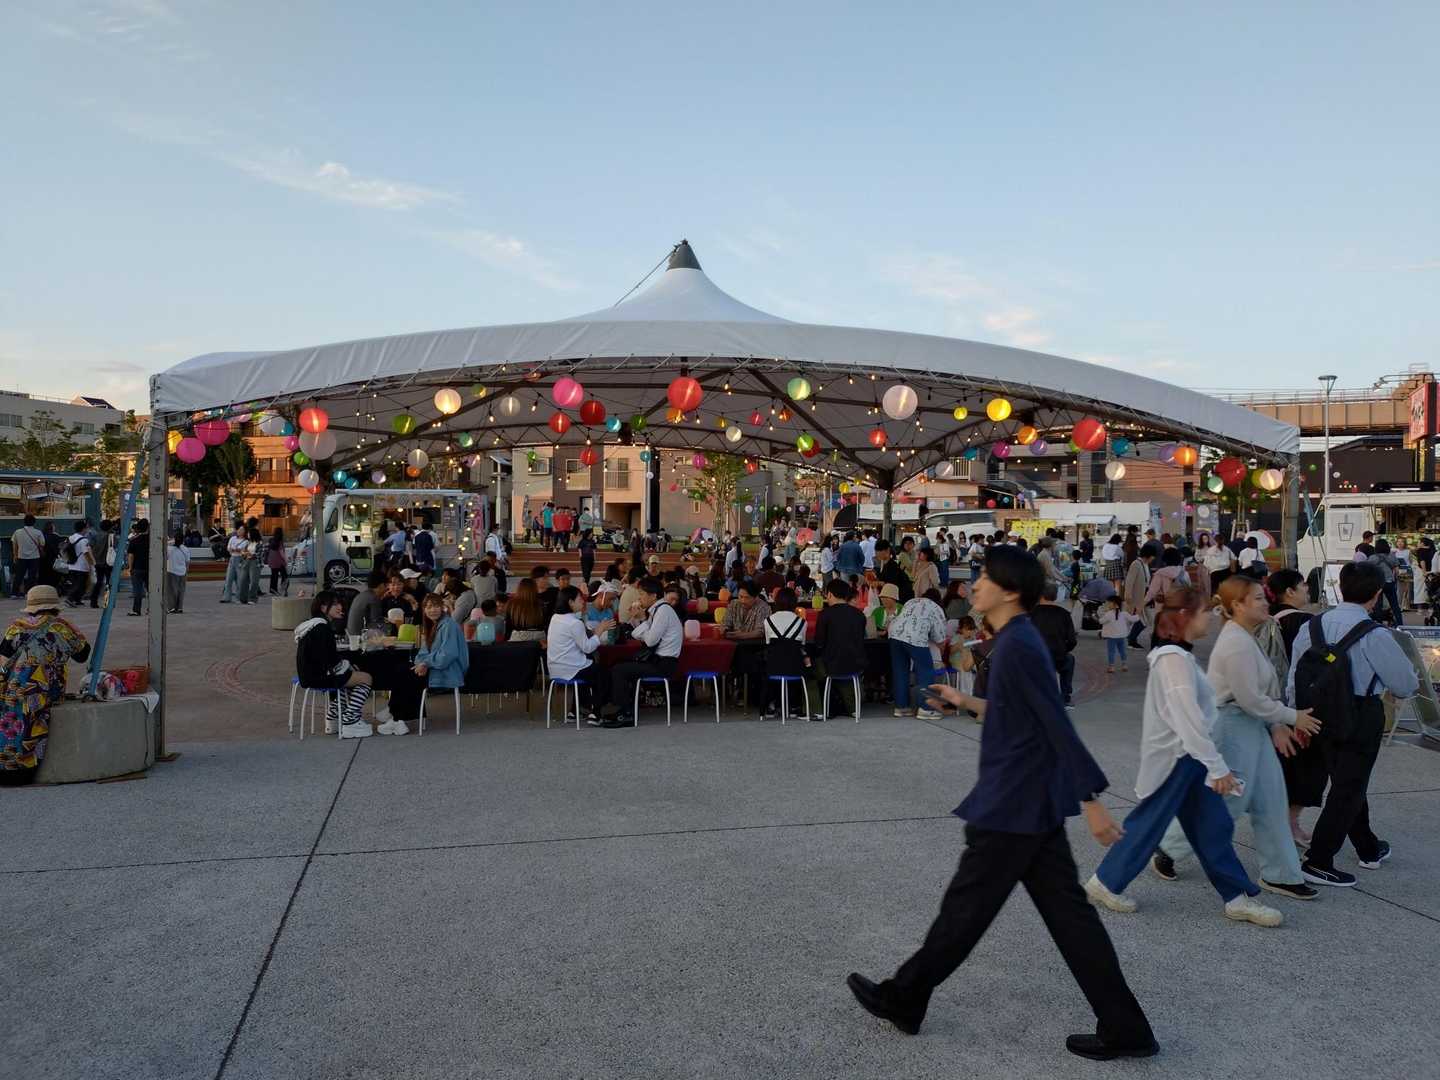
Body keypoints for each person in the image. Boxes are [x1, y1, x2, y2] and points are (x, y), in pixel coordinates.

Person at [846, 545, 1156, 1060]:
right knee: (1068, 919)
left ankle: (905, 995)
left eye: (985, 578)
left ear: (1010, 592)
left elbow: (1054, 722)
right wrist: (964, 700)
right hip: (1029, 805)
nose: (975, 585)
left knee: (966, 911)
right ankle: (1127, 1028)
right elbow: (1017, 710)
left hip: (1013, 804)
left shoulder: (1019, 646)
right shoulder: (1015, 641)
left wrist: (1092, 799)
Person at [1084, 587, 1284, 929]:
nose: (1210, 618)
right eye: (1206, 612)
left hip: (1188, 759)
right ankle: (1105, 882)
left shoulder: (1178, 657)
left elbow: (1191, 719)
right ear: (1185, 617)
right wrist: (1216, 766)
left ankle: (1236, 897)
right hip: (1179, 759)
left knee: (1212, 827)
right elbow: (1187, 718)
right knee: (1151, 825)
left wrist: (1211, 763)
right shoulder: (1173, 660)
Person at [1151, 577, 1321, 900]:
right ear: (1237, 606)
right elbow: (1250, 699)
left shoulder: (1246, 636)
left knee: (1271, 799)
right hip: (1231, 727)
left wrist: (1277, 724)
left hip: (1250, 726)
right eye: (1257, 599)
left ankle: (1281, 874)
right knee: (1228, 801)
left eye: (1263, 597)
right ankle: (1168, 847)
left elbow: (1258, 697)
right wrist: (1290, 717)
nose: (1265, 602)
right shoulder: (1236, 643)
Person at [1287, 561, 1418, 887]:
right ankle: (1318, 860)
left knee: (1347, 781)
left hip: (1315, 714)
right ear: (1376, 594)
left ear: (1341, 587)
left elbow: (1295, 676)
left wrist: (1295, 717)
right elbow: (1404, 684)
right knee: (1349, 787)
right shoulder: (1376, 635)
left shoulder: (1312, 626)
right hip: (1360, 715)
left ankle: (1368, 848)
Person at [294, 592, 378, 739]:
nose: (340, 607)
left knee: (350, 675)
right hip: (318, 677)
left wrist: (347, 667)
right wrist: (347, 666)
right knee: (365, 678)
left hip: (308, 675)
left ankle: (333, 718)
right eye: (335, 604)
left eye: (339, 603)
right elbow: (330, 662)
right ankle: (350, 720)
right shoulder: (322, 628)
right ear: (323, 607)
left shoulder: (312, 625)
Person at [605, 576, 684, 727]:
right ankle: (623, 708)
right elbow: (642, 633)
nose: (639, 598)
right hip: (657, 661)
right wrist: (638, 618)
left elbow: (650, 640)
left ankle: (625, 714)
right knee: (617, 663)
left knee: (619, 670)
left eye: (642, 594)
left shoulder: (663, 611)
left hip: (664, 664)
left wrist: (641, 618)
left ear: (653, 596)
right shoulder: (657, 610)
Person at [548, 584, 615, 723]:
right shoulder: (574, 623)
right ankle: (595, 713)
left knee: (590, 668)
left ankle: (575, 710)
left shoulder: (555, 618)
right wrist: (599, 631)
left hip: (555, 668)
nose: (583, 602)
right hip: (571, 668)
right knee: (603, 673)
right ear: (570, 602)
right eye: (580, 599)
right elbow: (587, 648)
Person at [885, 584, 947, 719]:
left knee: (900, 671)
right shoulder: (936, 608)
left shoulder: (911, 601)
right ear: (938, 600)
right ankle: (926, 708)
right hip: (915, 637)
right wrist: (942, 649)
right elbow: (940, 637)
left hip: (894, 634)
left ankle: (901, 707)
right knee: (926, 671)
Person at [814, 579, 867, 718]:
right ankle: (849, 705)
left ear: (830, 594)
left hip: (831, 665)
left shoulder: (825, 614)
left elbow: (819, 642)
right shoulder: (859, 615)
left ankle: (822, 708)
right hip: (856, 664)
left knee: (813, 667)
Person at [761, 587, 813, 719]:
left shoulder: (767, 621)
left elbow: (768, 643)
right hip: (795, 667)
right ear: (795, 602)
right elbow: (801, 645)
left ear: (776, 601)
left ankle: (772, 704)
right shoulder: (802, 622)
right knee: (801, 665)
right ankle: (794, 706)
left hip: (773, 667)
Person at [1029, 582, 1078, 706]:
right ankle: (1065, 697)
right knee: (1069, 660)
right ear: (1055, 596)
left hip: (1035, 657)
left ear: (1040, 595)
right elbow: (1072, 641)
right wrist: (1063, 649)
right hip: (1058, 656)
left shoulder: (1030, 614)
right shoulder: (1064, 614)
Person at [415, 591, 469, 701]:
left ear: (442, 607)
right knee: (400, 673)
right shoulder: (432, 626)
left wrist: (425, 663)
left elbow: (447, 654)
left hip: (448, 673)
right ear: (424, 610)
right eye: (429, 607)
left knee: (402, 677)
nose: (432, 610)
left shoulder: (449, 625)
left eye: (436, 606)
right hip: (433, 669)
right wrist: (420, 663)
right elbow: (423, 652)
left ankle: (400, 711)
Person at [1123, 546, 1155, 649]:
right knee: (1142, 620)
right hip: (1136, 597)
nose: (1153, 558)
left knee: (1146, 619)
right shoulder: (1136, 564)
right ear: (1148, 555)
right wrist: (1128, 594)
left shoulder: (1144, 564)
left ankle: (1131, 639)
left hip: (1143, 597)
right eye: (1153, 556)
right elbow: (1129, 580)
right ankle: (1131, 640)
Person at [1367, 538, 1404, 626]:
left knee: (1378, 605)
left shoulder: (1372, 557)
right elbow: (1397, 571)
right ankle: (1400, 624)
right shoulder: (1392, 556)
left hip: (1378, 583)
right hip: (1389, 582)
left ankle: (1378, 624)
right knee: (1394, 604)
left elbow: (1368, 570)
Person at [1098, 595, 1138, 674]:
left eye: (1108, 603)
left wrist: (1099, 615)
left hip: (1111, 637)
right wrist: (1137, 614)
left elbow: (1101, 621)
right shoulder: (1124, 613)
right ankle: (1124, 665)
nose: (1107, 605)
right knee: (1122, 651)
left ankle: (1111, 667)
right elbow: (1133, 619)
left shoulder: (1109, 614)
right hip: (1121, 636)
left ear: (1114, 604)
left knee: (1111, 651)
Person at [9, 514, 45, 598]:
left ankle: (14, 593)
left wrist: (15, 556)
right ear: (34, 522)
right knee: (32, 576)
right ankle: (28, 592)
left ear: (24, 522)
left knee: (19, 575)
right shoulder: (38, 532)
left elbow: (14, 545)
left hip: (21, 556)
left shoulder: (17, 532)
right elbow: (42, 544)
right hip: (34, 557)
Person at [347, 569, 391, 635]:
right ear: (381, 585)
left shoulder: (360, 595)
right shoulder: (374, 598)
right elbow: (376, 624)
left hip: (351, 635)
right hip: (361, 637)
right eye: (386, 586)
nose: (387, 589)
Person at [504, 578, 548, 643]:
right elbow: (545, 624)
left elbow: (508, 626)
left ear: (519, 589)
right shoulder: (541, 604)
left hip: (517, 639)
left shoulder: (511, 604)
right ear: (535, 589)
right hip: (538, 640)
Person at [63, 519, 94, 608]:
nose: (87, 530)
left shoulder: (70, 537)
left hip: (71, 565)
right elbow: (86, 553)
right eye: (86, 528)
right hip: (81, 566)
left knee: (75, 583)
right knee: (80, 584)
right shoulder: (84, 540)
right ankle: (69, 599)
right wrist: (91, 563)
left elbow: (64, 550)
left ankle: (77, 600)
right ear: (83, 529)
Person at [125, 519, 150, 617]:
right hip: (150, 568)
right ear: (148, 527)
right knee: (151, 590)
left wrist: (130, 568)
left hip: (137, 568)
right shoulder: (153, 540)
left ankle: (136, 610)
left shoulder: (134, 540)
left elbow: (131, 556)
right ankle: (151, 609)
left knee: (137, 590)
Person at [166, 529, 192, 615]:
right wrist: (186, 571)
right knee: (181, 590)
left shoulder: (169, 548)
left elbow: (166, 557)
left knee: (171, 590)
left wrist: (169, 542)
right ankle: (180, 607)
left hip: (171, 571)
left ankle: (172, 607)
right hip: (182, 572)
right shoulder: (185, 549)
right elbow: (187, 562)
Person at [221, 522, 247, 603]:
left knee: (239, 580)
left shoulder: (246, 541)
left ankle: (238, 597)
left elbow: (242, 550)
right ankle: (226, 597)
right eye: (239, 529)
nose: (240, 531)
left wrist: (235, 549)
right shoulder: (232, 538)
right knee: (228, 579)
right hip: (232, 559)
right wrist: (235, 550)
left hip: (240, 560)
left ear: (245, 531)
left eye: (242, 530)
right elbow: (229, 548)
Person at [266, 528, 289, 596]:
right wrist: (286, 560)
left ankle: (273, 589)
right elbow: (281, 553)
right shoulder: (279, 541)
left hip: (272, 560)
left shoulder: (271, 540)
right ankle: (283, 589)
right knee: (285, 576)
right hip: (279, 561)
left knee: (274, 575)